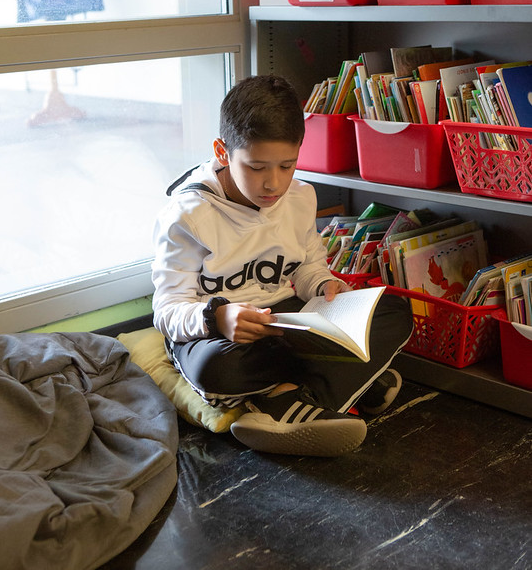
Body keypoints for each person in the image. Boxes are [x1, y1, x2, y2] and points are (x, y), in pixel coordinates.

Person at [152, 74, 413, 457]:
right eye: (257, 167)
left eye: (287, 166)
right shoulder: (188, 216)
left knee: (395, 312)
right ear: (222, 152)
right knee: (216, 372)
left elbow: (307, 266)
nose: (273, 184)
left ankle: (286, 402)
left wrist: (324, 286)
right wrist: (218, 317)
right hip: (219, 336)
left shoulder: (300, 196)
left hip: (285, 321)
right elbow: (167, 309)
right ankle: (342, 384)